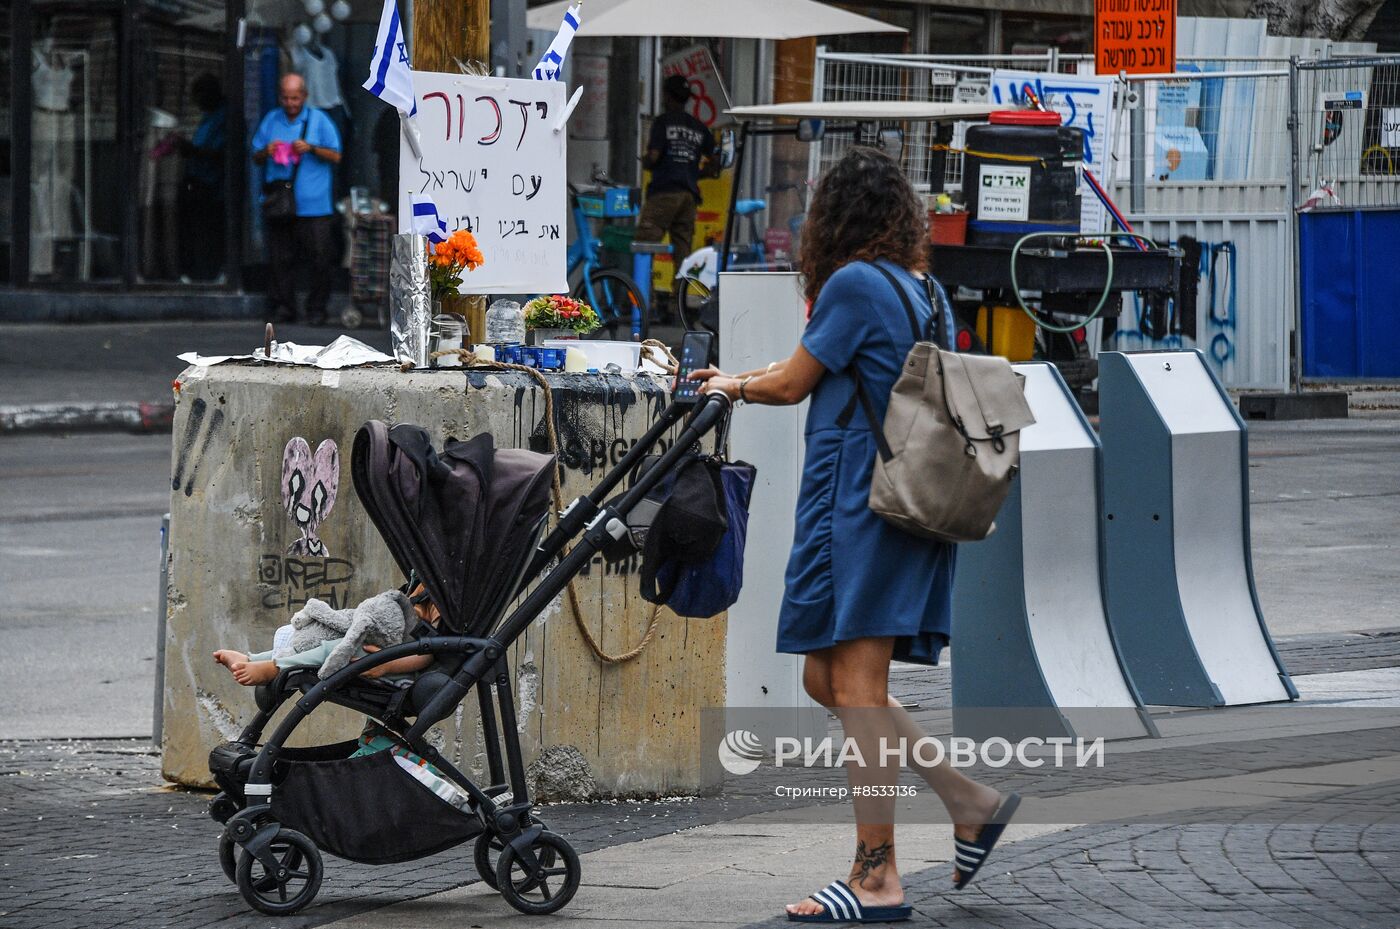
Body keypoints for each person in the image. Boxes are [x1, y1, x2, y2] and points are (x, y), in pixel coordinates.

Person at [691, 147, 1020, 921]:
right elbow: (828, 365)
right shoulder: (922, 288)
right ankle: (967, 800)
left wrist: (730, 382)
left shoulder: (852, 283)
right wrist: (755, 374)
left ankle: (876, 874)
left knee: (858, 687)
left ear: (833, 217)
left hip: (860, 513)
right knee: (826, 681)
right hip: (906, 503)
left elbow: (790, 382)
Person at [251, 72, 342, 325]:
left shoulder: (319, 120)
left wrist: (311, 148)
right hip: (280, 203)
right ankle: (285, 307)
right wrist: (266, 151)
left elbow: (336, 156)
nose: (290, 103)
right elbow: (255, 156)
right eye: (285, 98)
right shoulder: (271, 120)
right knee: (281, 259)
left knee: (320, 259)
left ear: (304, 96)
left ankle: (317, 308)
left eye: (295, 98)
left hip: (315, 206)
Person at [635, 74, 719, 262]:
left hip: (664, 193)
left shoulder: (663, 122)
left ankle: (640, 291)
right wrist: (696, 173)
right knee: (683, 251)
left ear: (666, 96)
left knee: (644, 245)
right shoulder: (699, 127)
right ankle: (680, 291)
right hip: (689, 196)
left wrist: (646, 161)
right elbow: (716, 161)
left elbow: (654, 156)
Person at [177, 73, 227, 282]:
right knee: (195, 231)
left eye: (198, 97)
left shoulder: (223, 117)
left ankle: (210, 273)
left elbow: (219, 153)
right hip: (198, 181)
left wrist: (192, 150)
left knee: (209, 232)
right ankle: (196, 272)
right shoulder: (209, 116)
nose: (195, 103)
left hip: (212, 185)